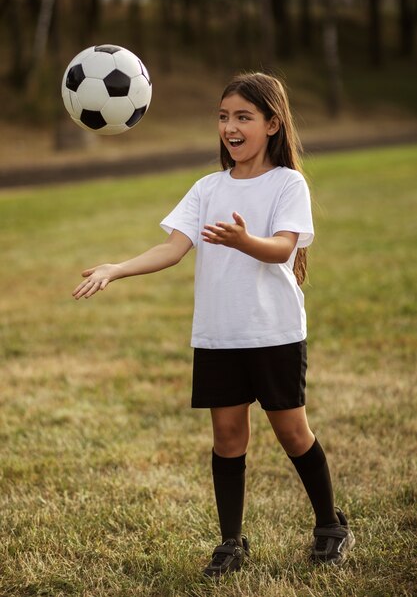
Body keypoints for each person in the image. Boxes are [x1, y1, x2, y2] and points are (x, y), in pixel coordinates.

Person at [72, 72, 355, 577]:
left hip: (274, 333)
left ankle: (330, 525)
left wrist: (246, 241)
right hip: (219, 335)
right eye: (224, 117)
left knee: (292, 433)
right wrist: (117, 268)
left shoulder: (287, 183)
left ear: (272, 123)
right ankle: (231, 541)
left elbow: (285, 247)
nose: (231, 127)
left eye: (243, 117)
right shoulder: (207, 188)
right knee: (227, 437)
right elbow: (172, 248)